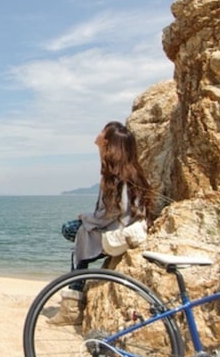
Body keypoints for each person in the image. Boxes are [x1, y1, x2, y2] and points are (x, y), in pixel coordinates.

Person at [52, 121, 152, 325]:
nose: (97, 134)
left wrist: (86, 218)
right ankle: (72, 303)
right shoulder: (125, 171)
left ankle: (71, 308)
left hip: (115, 234)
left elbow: (110, 214)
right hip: (120, 229)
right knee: (79, 239)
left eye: (102, 132)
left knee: (72, 233)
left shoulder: (115, 175)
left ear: (106, 142)